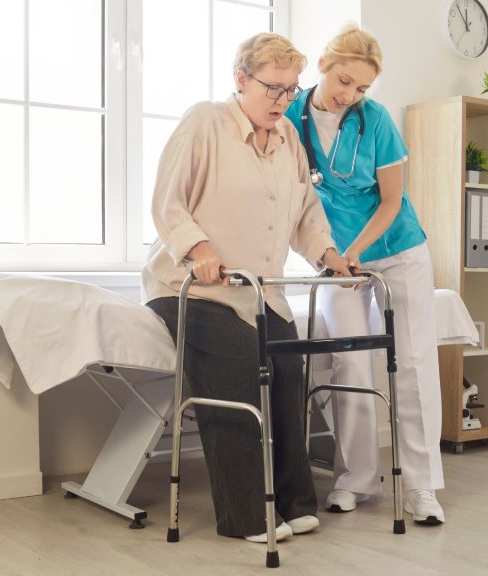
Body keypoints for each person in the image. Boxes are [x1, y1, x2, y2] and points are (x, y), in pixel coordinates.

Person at [142, 32, 351, 543]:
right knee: (240, 368)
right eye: (272, 88)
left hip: (259, 291)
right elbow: (168, 202)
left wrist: (329, 254)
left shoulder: (289, 141)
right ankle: (247, 516)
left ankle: (294, 504)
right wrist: (199, 249)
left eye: (290, 91)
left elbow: (305, 213)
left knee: (287, 370)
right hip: (192, 287)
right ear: (240, 79)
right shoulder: (205, 123)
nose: (282, 101)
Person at [286, 24, 446, 524]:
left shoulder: (375, 121)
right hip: (336, 260)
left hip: (397, 248)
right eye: (343, 80)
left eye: (361, 88)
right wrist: (329, 257)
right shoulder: (290, 118)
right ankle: (355, 479)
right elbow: (295, 201)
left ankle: (422, 487)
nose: (350, 94)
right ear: (322, 65)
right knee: (352, 361)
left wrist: (352, 252)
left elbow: (392, 200)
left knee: (415, 361)